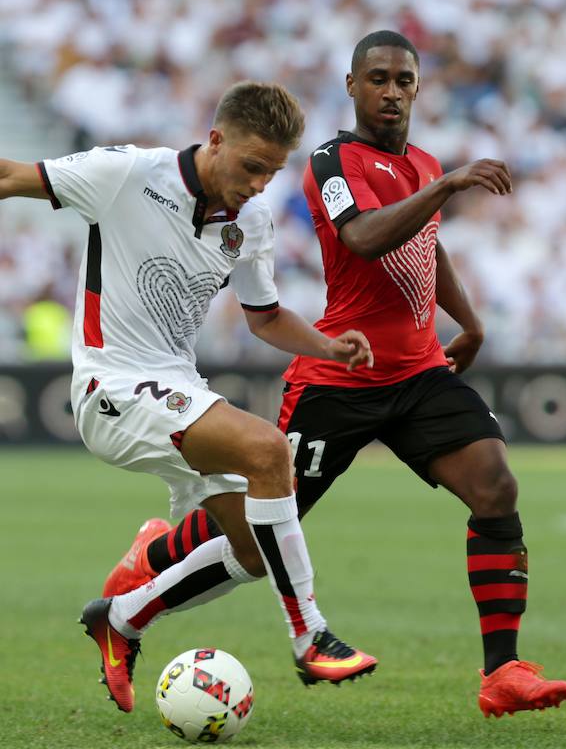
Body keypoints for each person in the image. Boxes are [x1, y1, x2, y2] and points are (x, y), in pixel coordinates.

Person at [113, 33, 566, 719]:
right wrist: (446, 184)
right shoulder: (332, 160)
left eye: (403, 80)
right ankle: (157, 550)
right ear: (352, 85)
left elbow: (426, 244)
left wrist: (468, 322)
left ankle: (502, 670)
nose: (391, 91)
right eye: (378, 78)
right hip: (339, 379)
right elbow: (362, 237)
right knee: (256, 538)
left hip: (419, 373)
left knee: (495, 487)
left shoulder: (421, 162)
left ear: (417, 89)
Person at [0, 80, 378, 713]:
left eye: (272, 171)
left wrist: (328, 346)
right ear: (216, 139)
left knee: (255, 554)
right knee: (267, 450)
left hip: (177, 388)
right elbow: (12, 175)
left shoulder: (251, 221)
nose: (260, 183)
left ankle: (121, 617)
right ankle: (311, 635)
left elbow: (264, 317)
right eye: (252, 166)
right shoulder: (124, 173)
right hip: (110, 384)